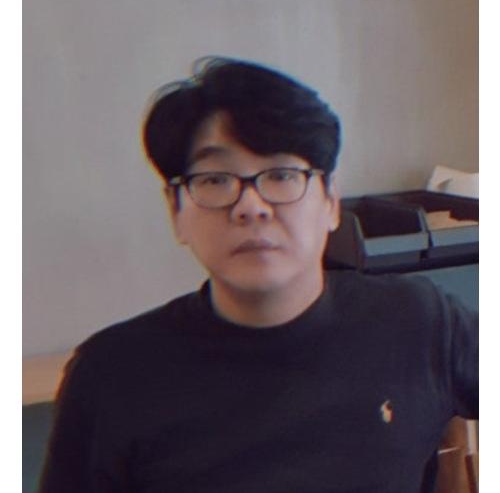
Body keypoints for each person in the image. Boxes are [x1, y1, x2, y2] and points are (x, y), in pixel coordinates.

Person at [39, 57, 478, 493]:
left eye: (282, 174)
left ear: (330, 201)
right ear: (176, 211)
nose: (251, 206)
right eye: (215, 180)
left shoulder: (418, 321)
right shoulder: (113, 376)